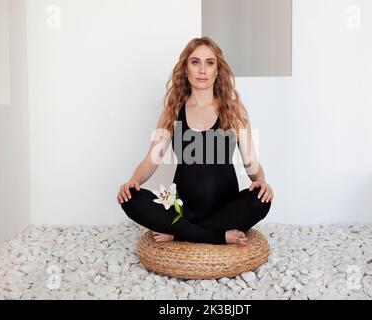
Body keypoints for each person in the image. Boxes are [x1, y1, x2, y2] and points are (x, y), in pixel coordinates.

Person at [117, 37, 274, 246]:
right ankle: (215, 235)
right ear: (185, 69)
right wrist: (133, 181)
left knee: (260, 201)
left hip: (225, 209)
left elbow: (250, 162)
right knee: (130, 199)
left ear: (217, 70)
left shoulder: (234, 110)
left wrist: (261, 182)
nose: (202, 70)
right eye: (195, 62)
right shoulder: (172, 112)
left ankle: (181, 233)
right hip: (183, 210)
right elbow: (151, 161)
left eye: (209, 63)